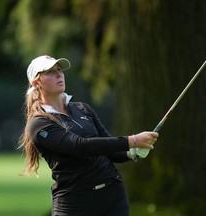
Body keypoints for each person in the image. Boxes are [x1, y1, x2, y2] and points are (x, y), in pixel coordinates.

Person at [18, 55, 159, 216]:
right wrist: (132, 140)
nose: (59, 74)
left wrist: (133, 152)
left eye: (59, 70)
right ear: (36, 83)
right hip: (75, 203)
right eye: (50, 72)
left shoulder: (82, 109)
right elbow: (80, 146)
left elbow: (110, 151)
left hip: (113, 197)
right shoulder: (39, 123)